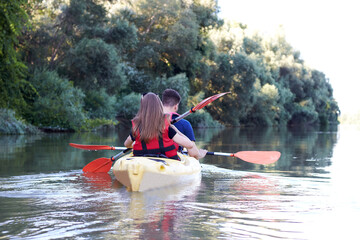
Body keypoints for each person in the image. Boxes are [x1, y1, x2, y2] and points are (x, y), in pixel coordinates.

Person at [124, 92, 207, 160]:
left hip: (141, 160)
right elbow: (190, 145)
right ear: (159, 106)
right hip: (165, 160)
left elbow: (126, 144)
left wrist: (136, 145)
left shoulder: (136, 127)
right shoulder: (166, 127)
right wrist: (175, 129)